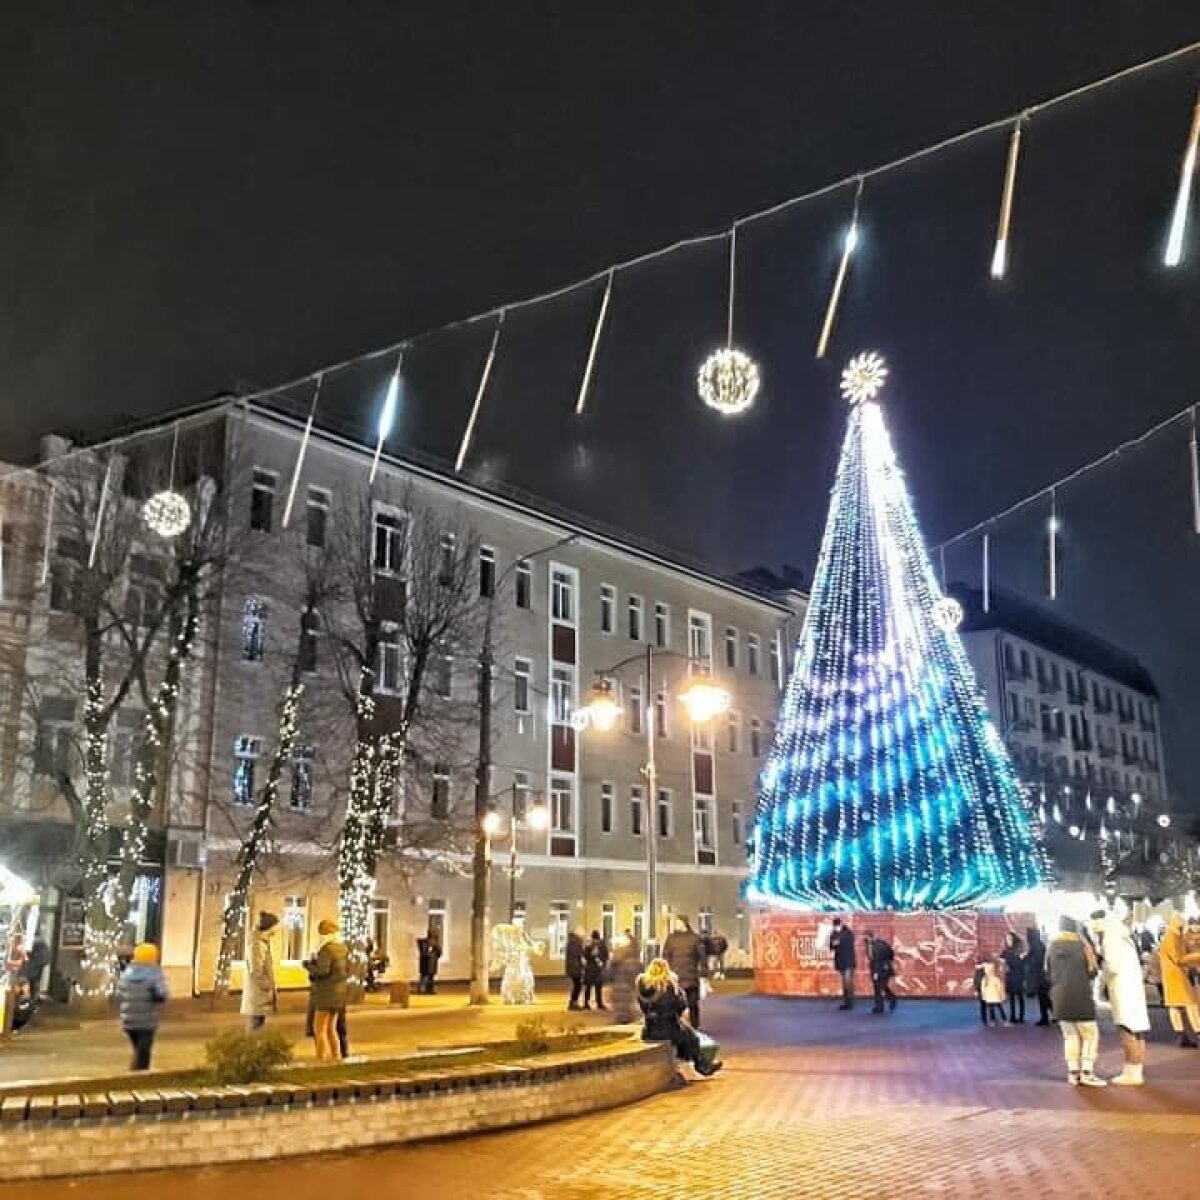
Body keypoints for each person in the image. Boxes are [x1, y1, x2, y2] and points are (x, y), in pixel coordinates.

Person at [635, 957, 722, 1078]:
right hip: (670, 1029)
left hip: (650, 1030)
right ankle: (701, 1065)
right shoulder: (669, 985)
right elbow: (681, 1006)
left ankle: (697, 1065)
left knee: (686, 1034)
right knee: (692, 1038)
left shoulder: (642, 987)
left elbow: (642, 1007)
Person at [1046, 916, 1106, 1086]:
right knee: (1090, 1035)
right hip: (1081, 996)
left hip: (1059, 998)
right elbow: (1092, 972)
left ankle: (1073, 1073)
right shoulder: (1084, 947)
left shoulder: (1052, 947)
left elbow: (1048, 972)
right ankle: (1087, 1071)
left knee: (1069, 1036)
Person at [1097, 910, 1151, 1085]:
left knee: (1126, 1031)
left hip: (1122, 988)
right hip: (1134, 987)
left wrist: (1101, 976)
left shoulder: (1111, 937)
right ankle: (1136, 1069)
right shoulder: (1126, 937)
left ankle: (1132, 1070)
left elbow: (1111, 966)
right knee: (1138, 1031)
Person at [117, 942, 168, 1071]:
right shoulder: (154, 973)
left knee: (138, 1050)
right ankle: (137, 1079)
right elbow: (162, 994)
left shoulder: (127, 973)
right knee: (143, 1053)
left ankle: (135, 1074)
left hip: (128, 1021)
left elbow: (119, 993)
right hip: (147, 1021)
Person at [308, 918, 348, 1062]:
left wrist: (308, 965)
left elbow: (322, 970)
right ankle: (336, 1056)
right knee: (332, 1028)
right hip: (339, 995)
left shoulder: (326, 949)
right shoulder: (342, 947)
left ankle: (321, 1059)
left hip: (326, 994)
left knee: (319, 1029)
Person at [1158, 913, 1200, 1048]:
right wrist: (1196, 957)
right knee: (1190, 1004)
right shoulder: (1172, 938)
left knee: (1176, 1006)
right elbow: (1179, 959)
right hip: (1177, 976)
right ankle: (1196, 1032)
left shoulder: (1174, 937)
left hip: (1174, 977)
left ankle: (1182, 1035)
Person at [662, 915, 706, 1028]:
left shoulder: (692, 938)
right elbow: (666, 956)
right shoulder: (673, 938)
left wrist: (703, 974)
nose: (676, 925)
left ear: (684, 923)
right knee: (684, 1004)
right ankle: (684, 1026)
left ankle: (692, 1025)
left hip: (686, 976)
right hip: (678, 977)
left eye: (678, 922)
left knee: (691, 1004)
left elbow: (702, 957)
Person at [241, 911, 278, 1030]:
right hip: (257, 996)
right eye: (276, 926)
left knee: (257, 1028)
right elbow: (256, 971)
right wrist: (268, 986)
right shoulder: (257, 945)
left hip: (260, 996)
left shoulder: (262, 943)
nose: (277, 929)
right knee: (255, 1030)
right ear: (270, 927)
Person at [609, 932, 641, 1023]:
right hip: (627, 991)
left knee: (621, 1012)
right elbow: (636, 977)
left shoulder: (616, 957)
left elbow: (608, 974)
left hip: (617, 989)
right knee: (627, 1012)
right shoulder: (633, 961)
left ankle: (621, 1020)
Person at [1024, 927, 1051, 1026]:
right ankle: (1048, 1017)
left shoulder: (1038, 947)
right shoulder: (1037, 946)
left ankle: (1047, 1018)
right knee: (1044, 998)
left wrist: (1026, 959)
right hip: (1040, 976)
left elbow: (1037, 960)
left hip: (1040, 977)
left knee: (1044, 998)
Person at [828, 917, 856, 1010]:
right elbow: (832, 945)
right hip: (840, 961)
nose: (835, 927)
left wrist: (838, 942)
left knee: (848, 982)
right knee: (845, 983)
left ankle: (850, 1002)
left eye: (836, 926)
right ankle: (847, 1002)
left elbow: (847, 943)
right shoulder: (834, 934)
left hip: (848, 961)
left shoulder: (848, 933)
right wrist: (835, 943)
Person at [865, 931, 897, 1013]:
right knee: (883, 986)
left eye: (865, 938)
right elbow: (891, 954)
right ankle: (891, 999)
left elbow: (873, 958)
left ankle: (880, 1007)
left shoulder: (872, 945)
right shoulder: (883, 943)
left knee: (878, 987)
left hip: (878, 969)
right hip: (886, 968)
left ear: (869, 937)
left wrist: (875, 972)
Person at [1000, 932, 1027, 1024]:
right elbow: (1002, 962)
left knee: (1020, 997)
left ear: (1014, 939)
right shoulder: (1005, 951)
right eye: (1007, 939)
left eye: (1010, 939)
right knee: (1011, 997)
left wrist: (1021, 958)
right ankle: (1012, 1016)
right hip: (1010, 976)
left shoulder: (1019, 950)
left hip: (1019, 975)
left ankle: (1021, 1017)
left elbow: (1023, 963)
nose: (1008, 941)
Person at [582, 929, 609, 1011]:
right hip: (597, 969)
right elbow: (606, 956)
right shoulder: (602, 945)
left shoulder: (589, 944)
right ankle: (599, 1003)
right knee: (598, 987)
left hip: (590, 968)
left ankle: (586, 1003)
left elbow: (585, 955)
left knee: (589, 986)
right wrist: (602, 963)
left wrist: (591, 956)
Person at [22, 937, 50, 1007]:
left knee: (30, 984)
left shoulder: (36, 943)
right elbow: (45, 959)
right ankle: (32, 1002)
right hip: (36, 969)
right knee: (34, 985)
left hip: (33, 969)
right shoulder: (40, 942)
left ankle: (30, 1002)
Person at [979, 958, 1007, 1026]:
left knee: (991, 1009)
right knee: (1000, 1008)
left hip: (989, 998)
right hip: (996, 997)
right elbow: (1000, 988)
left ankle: (992, 1021)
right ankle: (1005, 1020)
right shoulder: (995, 979)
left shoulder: (984, 979)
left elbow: (982, 989)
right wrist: (1003, 996)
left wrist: (984, 996)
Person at [564, 928, 586, 1010]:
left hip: (571, 967)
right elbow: (580, 954)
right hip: (575, 967)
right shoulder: (577, 942)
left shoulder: (570, 942)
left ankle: (573, 1002)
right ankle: (573, 1002)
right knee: (578, 985)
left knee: (577, 985)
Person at [416, 929, 441, 995]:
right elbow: (424, 953)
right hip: (425, 963)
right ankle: (422, 989)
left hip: (432, 963)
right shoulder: (423, 943)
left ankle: (430, 989)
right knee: (424, 977)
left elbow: (439, 953)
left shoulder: (436, 943)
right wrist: (431, 953)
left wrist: (435, 947)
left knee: (431, 977)